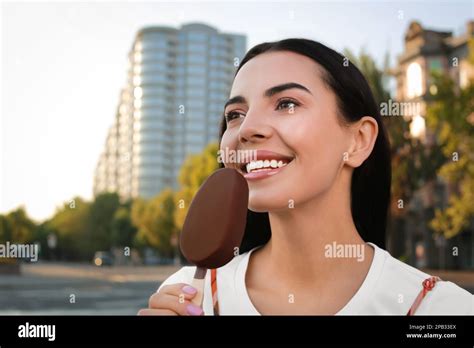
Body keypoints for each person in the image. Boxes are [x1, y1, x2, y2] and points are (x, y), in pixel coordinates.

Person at [138, 38, 473, 316]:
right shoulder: (188, 296)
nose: (247, 129)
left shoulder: (439, 311)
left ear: (358, 141)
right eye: (235, 114)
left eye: (286, 104)